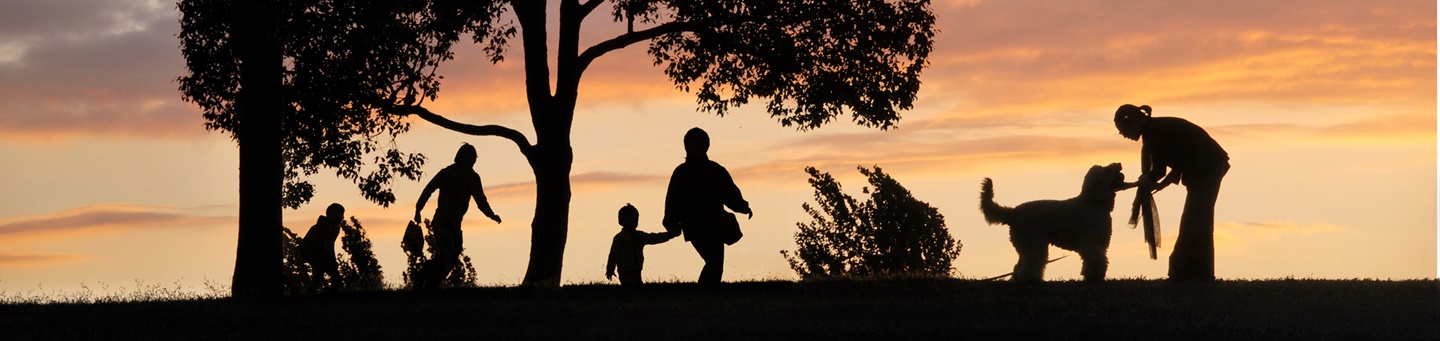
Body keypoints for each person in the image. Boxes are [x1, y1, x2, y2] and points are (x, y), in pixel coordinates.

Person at [1114, 104, 1230, 282]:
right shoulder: (1155, 130)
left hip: (1208, 167)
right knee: (1194, 220)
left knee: (1198, 221)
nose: (1123, 135)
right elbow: (1180, 158)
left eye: (1123, 129)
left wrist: (1145, 182)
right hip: (1204, 168)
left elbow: (1159, 170)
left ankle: (1197, 274)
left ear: (1136, 121)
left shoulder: (1154, 133)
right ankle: (1189, 272)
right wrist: (1162, 184)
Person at [662, 128, 752, 284]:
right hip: (694, 223)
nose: (698, 146)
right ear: (687, 146)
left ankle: (707, 296)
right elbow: (673, 200)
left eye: (702, 142)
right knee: (714, 261)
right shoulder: (682, 172)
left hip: (715, 223)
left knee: (716, 263)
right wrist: (671, 223)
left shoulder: (716, 170)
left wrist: (742, 206)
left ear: (707, 145)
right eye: (694, 142)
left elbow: (729, 192)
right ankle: (705, 295)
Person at [412, 143, 502, 289]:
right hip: (441, 221)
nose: (472, 161)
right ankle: (422, 278)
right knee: (447, 254)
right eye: (470, 158)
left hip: (456, 225)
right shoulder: (447, 173)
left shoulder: (473, 178)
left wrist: (491, 215)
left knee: (452, 258)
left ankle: (429, 284)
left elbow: (481, 200)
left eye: (474, 159)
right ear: (461, 157)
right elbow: (429, 189)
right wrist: (418, 209)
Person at [606, 204, 678, 286]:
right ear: (621, 221)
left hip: (637, 270)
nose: (633, 221)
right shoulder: (619, 238)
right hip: (625, 272)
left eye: (635, 219)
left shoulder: (640, 236)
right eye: (629, 219)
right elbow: (613, 255)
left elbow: (654, 238)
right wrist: (610, 269)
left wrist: (669, 235)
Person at [301, 203, 346, 292]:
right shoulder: (329, 227)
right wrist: (332, 260)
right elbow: (327, 245)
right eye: (341, 214)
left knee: (319, 277)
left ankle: (310, 293)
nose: (342, 217)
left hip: (317, 253)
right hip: (313, 252)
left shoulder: (332, 227)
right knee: (329, 276)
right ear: (334, 214)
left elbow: (328, 245)